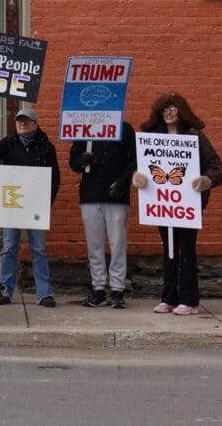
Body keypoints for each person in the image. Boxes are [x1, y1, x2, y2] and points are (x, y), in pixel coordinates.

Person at [132, 92, 222, 316]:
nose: (169, 113)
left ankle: (189, 299)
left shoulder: (196, 138)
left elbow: (215, 166)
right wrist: (137, 176)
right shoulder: (152, 138)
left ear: (181, 112)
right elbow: (139, 165)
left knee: (187, 250)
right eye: (164, 109)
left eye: (173, 109)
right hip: (163, 205)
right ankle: (169, 297)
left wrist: (206, 180)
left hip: (188, 206)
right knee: (169, 250)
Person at [0, 108, 61, 308]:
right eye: (20, 121)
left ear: (35, 124)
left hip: (36, 207)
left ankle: (44, 292)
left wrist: (46, 202)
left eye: (27, 121)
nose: (23, 124)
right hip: (12, 204)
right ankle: (5, 289)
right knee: (8, 248)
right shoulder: (8, 144)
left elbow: (54, 177)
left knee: (38, 249)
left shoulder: (46, 147)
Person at [69, 122, 137, 308]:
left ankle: (117, 289)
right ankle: (98, 287)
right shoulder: (85, 128)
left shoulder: (124, 128)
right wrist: (82, 161)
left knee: (118, 244)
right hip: (91, 193)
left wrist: (122, 182)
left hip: (116, 195)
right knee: (94, 245)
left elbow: (134, 159)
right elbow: (73, 161)